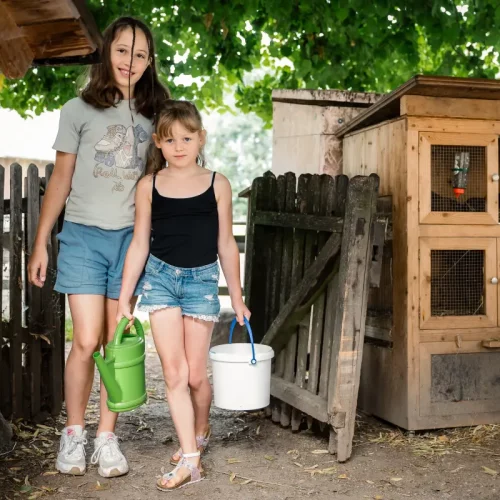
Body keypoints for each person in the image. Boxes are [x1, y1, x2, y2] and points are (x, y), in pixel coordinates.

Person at [27, 16, 170, 478]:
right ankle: (74, 433)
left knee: (113, 344)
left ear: (150, 62)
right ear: (108, 52)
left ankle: (107, 438)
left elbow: (174, 173)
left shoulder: (158, 113)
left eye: (141, 54)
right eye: (124, 50)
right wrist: (41, 243)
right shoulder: (78, 110)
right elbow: (61, 179)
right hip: (84, 236)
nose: (131, 60)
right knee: (86, 340)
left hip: (132, 244)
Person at [116, 99, 250, 490]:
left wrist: (237, 298)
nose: (179, 146)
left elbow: (227, 243)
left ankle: (201, 429)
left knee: (195, 377)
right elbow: (140, 243)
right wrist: (127, 296)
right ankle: (191, 459)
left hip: (201, 283)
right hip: (159, 279)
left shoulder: (217, 183)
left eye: (186, 138)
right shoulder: (149, 185)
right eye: (170, 139)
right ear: (158, 143)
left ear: (200, 138)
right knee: (174, 374)